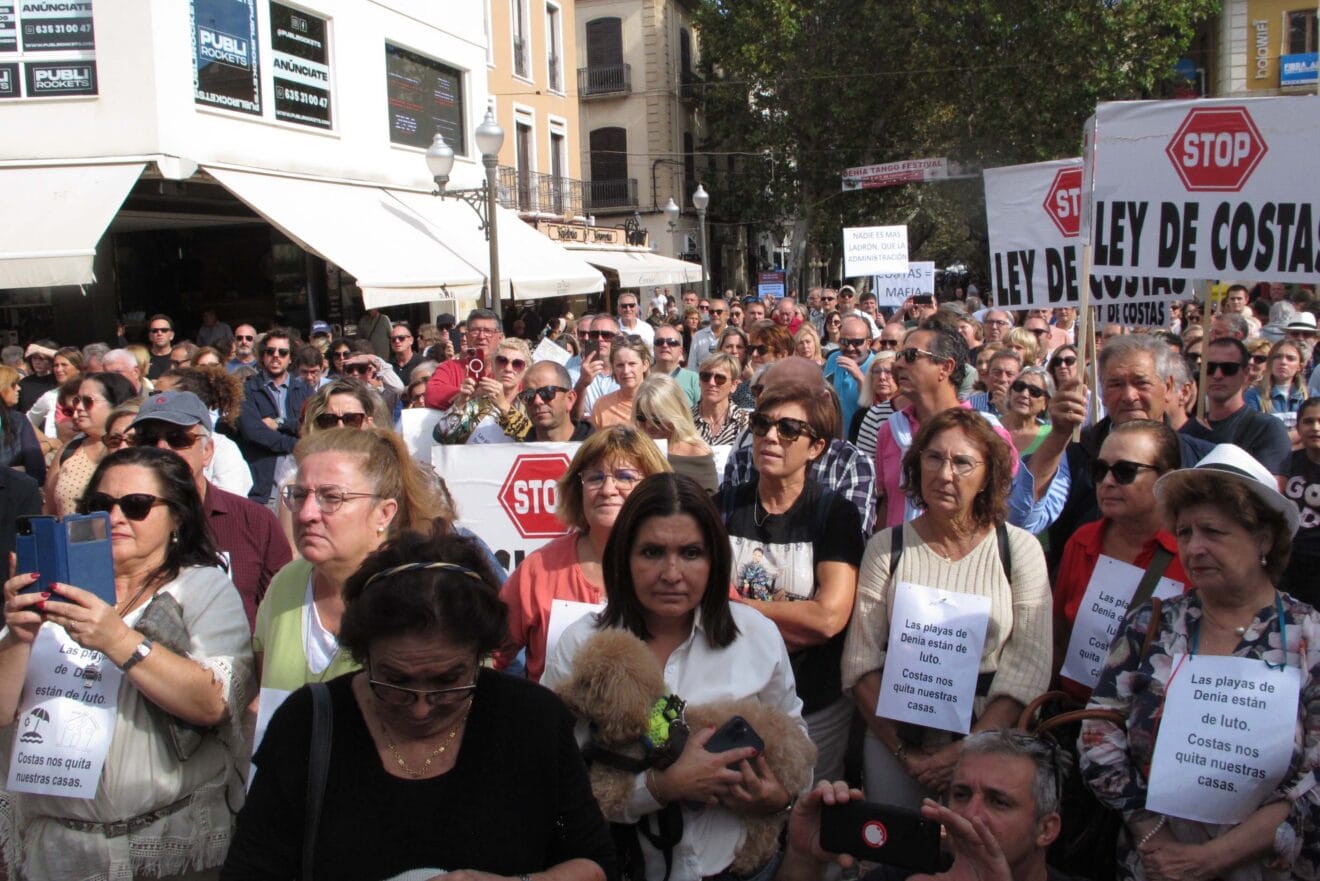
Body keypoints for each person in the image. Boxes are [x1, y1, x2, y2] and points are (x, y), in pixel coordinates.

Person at [223, 530, 613, 880]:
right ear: (363, 654)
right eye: (395, 682)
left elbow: (596, 863)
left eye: (449, 681)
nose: (422, 708)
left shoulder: (532, 721)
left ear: (481, 654)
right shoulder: (310, 723)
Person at [0, 446, 253, 880]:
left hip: (165, 849)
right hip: (54, 852)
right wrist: (19, 639)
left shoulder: (202, 588)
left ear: (177, 518)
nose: (115, 518)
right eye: (101, 506)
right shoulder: (55, 591)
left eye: (136, 506)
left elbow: (214, 703)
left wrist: (117, 639)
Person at [543, 473, 806, 881]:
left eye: (690, 553)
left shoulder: (757, 636)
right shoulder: (581, 645)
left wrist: (778, 799)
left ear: (714, 559)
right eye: (651, 552)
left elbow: (796, 738)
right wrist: (660, 788)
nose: (671, 573)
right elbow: (556, 779)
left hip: (741, 870)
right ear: (623, 557)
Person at [1080, 444, 1320, 881]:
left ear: (1263, 539)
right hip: (1154, 866)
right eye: (1186, 532)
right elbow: (1097, 734)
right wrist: (1156, 840)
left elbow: (1314, 778)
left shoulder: (1310, 637)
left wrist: (1211, 859)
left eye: (1214, 531)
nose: (1196, 547)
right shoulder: (1150, 624)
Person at [845, 408, 1051, 808]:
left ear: (989, 474)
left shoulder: (1019, 549)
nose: (944, 474)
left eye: (962, 463)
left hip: (990, 750)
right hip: (894, 747)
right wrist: (909, 755)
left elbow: (1029, 665)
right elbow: (860, 662)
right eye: (934, 457)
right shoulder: (885, 547)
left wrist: (964, 751)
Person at [253, 427, 502, 717]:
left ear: (385, 512)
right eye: (298, 494)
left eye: (331, 497)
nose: (307, 513)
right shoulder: (286, 584)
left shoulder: (433, 595)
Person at [720, 383, 863, 781]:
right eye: (761, 423)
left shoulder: (836, 514)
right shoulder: (725, 506)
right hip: (736, 695)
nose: (769, 436)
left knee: (807, 806)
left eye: (788, 429)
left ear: (815, 447)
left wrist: (739, 611)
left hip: (814, 701)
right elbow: (703, 602)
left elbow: (829, 619)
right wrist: (792, 619)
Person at [776, 731, 1076, 881]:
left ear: (1046, 828)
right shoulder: (901, 877)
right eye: (960, 794)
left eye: (998, 802)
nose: (970, 814)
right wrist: (802, 860)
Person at [497, 427, 670, 681]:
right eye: (595, 478)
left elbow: (734, 626)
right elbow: (488, 652)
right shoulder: (539, 569)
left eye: (624, 476)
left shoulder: (679, 565)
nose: (608, 489)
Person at [130, 391, 292, 632]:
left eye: (178, 438)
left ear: (207, 451)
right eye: (148, 440)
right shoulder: (117, 521)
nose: (161, 449)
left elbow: (281, 615)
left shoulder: (254, 521)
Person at [1051, 420, 1189, 701]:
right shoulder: (1082, 541)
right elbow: (1057, 637)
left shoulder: (1192, 556)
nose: (1108, 482)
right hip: (1073, 715)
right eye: (1099, 470)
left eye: (1125, 472)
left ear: (1168, 479)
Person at [874, 324, 1018, 529]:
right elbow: (887, 503)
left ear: (946, 367)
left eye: (912, 355)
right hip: (899, 555)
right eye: (900, 355)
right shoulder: (891, 429)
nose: (900, 364)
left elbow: (1007, 503)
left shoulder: (988, 432)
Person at [1182, 337, 1292, 476]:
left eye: (1228, 368)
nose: (1217, 375)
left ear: (1246, 373)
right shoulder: (1188, 431)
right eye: (1209, 368)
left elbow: (1273, 488)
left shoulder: (1267, 428)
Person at [236, 328, 315, 505]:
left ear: (291, 358)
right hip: (265, 485)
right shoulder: (247, 390)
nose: (276, 356)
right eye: (270, 351)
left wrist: (280, 424)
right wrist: (295, 443)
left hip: (302, 480)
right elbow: (253, 431)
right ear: (262, 356)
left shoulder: (304, 390)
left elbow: (312, 426)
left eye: (283, 352)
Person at [44, 372, 139, 516]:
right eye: (77, 400)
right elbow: (49, 513)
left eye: (88, 401)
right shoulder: (70, 450)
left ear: (116, 403)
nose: (79, 407)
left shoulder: (138, 446)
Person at [166, 365, 254, 497]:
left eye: (160, 395)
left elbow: (229, 504)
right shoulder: (148, 441)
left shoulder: (224, 449)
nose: (154, 401)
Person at [433, 337, 532, 444]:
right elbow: (441, 436)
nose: (508, 368)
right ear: (493, 366)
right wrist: (461, 401)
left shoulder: (531, 403)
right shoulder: (478, 403)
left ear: (526, 370)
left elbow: (534, 438)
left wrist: (504, 406)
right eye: (502, 361)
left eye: (517, 364)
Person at [633, 374, 717, 493]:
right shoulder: (632, 450)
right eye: (641, 417)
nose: (649, 425)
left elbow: (709, 505)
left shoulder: (696, 454)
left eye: (657, 419)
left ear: (675, 414)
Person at [1282, 397, 1320, 602]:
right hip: (1288, 561)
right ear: (1298, 427)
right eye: (1308, 421)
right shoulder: (1287, 464)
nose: (1315, 427)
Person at [824, 316, 875, 433]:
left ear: (868, 343)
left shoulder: (877, 366)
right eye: (845, 342)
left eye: (857, 342)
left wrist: (859, 377)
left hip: (861, 439)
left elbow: (876, 407)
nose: (850, 348)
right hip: (834, 438)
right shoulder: (833, 358)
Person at [519, 361, 593, 442]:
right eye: (529, 395)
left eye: (547, 392)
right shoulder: (515, 451)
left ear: (570, 399)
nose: (537, 401)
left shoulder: (598, 449)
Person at [592, 335, 652, 430]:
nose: (626, 371)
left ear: (645, 365)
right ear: (613, 368)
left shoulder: (659, 402)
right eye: (620, 365)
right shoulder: (602, 406)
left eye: (632, 364)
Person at [692, 352, 750, 446]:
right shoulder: (685, 420)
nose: (711, 383)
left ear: (733, 385)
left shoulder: (745, 421)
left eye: (720, 378)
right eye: (705, 377)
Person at [0, 364, 45, 483]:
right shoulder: (18, 421)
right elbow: (36, 469)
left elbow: (36, 467)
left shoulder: (19, 420)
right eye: (13, 385)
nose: (19, 388)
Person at [850, 350, 899, 460]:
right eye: (876, 371)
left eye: (889, 371)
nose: (882, 377)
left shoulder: (909, 413)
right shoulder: (861, 416)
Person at [1246, 340, 1307, 426]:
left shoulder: (1311, 395)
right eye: (1277, 357)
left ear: (1300, 366)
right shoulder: (1254, 395)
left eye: (1290, 358)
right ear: (1270, 363)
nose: (1283, 362)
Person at [1000, 366, 1053, 458]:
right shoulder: (990, 424)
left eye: (1034, 391)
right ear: (1011, 392)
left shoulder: (1050, 436)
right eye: (1019, 386)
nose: (1024, 394)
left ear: (1046, 403)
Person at [652, 323, 700, 406]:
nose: (665, 345)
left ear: (680, 351)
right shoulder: (642, 377)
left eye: (671, 342)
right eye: (659, 342)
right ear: (653, 348)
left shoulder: (694, 379)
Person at [969, 350, 1022, 417]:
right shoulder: (971, 404)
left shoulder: (1023, 406)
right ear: (988, 374)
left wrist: (1006, 413)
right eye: (997, 372)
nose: (1002, 379)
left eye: (1010, 374)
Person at [719, 326, 756, 409]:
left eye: (739, 347)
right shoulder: (712, 374)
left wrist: (752, 379)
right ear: (721, 349)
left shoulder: (755, 373)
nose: (734, 351)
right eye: (729, 346)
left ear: (745, 350)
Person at [689, 297, 728, 369]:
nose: (715, 314)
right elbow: (692, 365)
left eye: (719, 312)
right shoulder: (698, 336)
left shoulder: (733, 335)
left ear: (727, 314)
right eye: (711, 312)